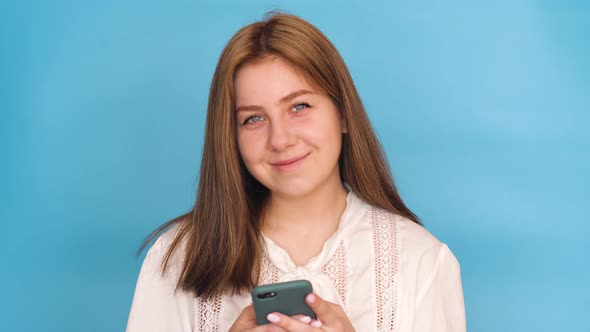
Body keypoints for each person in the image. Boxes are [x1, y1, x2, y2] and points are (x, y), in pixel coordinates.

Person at [126, 12, 465, 332]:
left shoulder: (421, 262)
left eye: (299, 106)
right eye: (253, 118)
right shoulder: (176, 259)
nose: (280, 139)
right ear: (231, 136)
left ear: (343, 113)